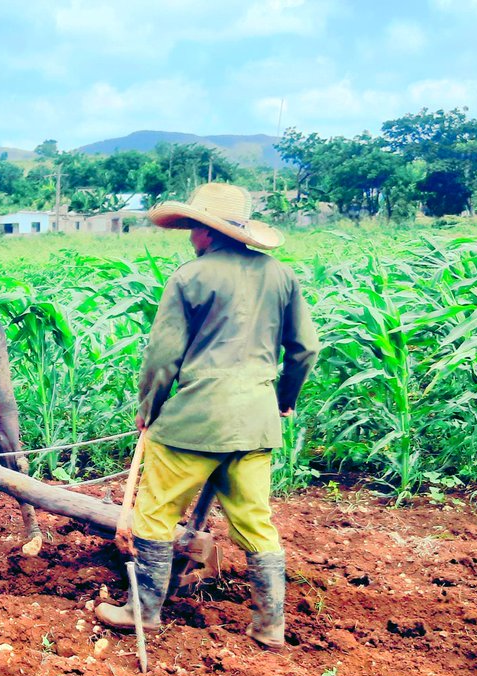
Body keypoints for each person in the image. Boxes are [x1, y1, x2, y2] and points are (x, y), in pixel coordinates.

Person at [97, 182, 319, 650]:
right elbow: (305, 349)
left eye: (191, 228)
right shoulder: (281, 276)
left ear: (203, 232)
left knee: (154, 515)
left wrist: (148, 409)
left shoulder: (190, 278)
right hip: (255, 423)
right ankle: (269, 626)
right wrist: (283, 399)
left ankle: (144, 610)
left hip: (194, 422)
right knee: (256, 522)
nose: (188, 237)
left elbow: (162, 358)